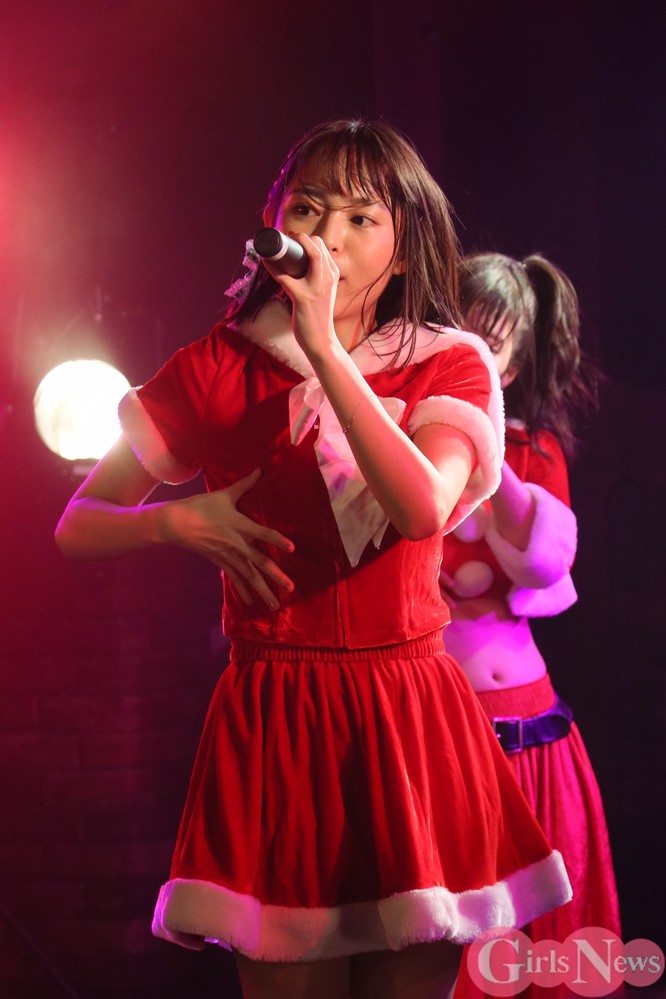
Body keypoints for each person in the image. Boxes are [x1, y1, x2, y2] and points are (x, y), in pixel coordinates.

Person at [55, 121, 571, 999]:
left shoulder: (447, 364)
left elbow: (421, 508)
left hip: (407, 712)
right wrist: (177, 522)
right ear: (274, 222)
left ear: (403, 249)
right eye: (309, 207)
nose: (329, 233)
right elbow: (79, 522)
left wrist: (327, 348)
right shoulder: (218, 366)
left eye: (361, 218)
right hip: (275, 715)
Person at [439, 251, 621, 995]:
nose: (468, 354)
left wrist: (482, 445)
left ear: (510, 368)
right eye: (456, 331)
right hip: (435, 727)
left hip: (526, 731)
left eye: (489, 345)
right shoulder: (394, 441)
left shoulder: (531, 452)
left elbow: (545, 563)